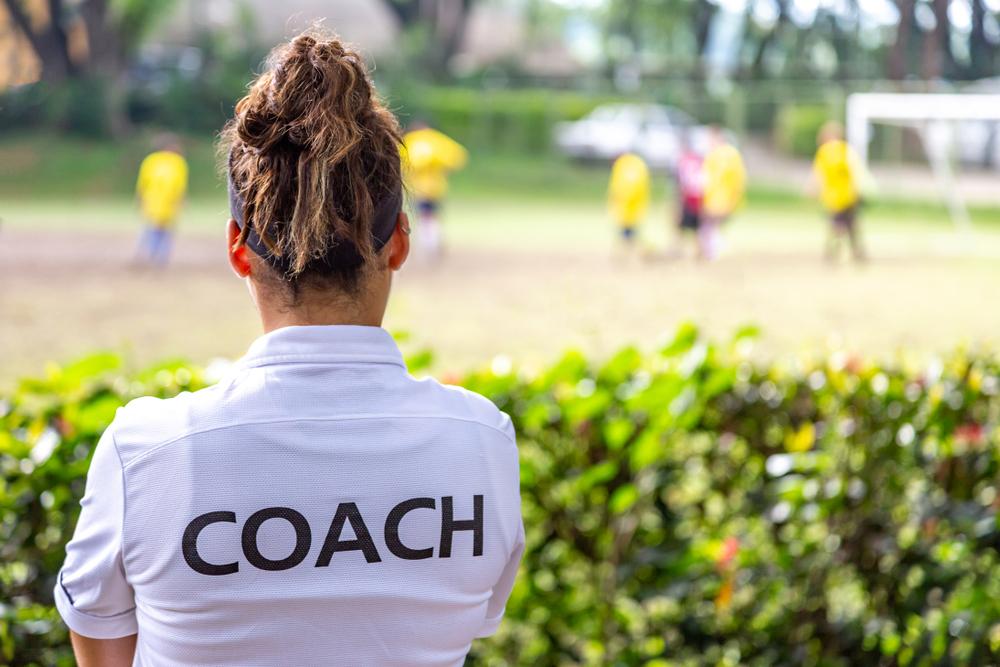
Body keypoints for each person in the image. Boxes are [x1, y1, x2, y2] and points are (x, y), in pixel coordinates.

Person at [54, 32, 524, 667]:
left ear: (237, 248)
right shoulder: (482, 443)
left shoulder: (145, 452)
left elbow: (102, 642)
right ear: (399, 243)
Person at [402, 121, 468, 258]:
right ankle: (434, 242)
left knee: (424, 216)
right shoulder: (437, 140)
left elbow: (402, 160)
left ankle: (428, 245)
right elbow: (458, 157)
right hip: (437, 187)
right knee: (433, 216)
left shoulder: (412, 140)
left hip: (419, 188)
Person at [812, 121, 866, 262]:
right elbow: (856, 171)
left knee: (837, 225)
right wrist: (858, 190)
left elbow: (819, 175)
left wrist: (815, 190)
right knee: (851, 225)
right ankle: (856, 253)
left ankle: (832, 253)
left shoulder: (824, 152)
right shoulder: (846, 150)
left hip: (835, 196)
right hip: (848, 194)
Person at [134, 134, 188, 267]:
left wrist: (139, 198)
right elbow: (143, 182)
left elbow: (179, 186)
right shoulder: (170, 162)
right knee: (156, 230)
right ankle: (154, 257)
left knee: (156, 230)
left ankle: (154, 258)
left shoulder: (160, 161)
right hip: (157, 201)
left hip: (161, 202)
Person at [700, 127, 746, 260]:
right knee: (714, 225)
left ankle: (714, 250)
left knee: (711, 225)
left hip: (719, 197)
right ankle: (714, 249)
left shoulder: (716, 155)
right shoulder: (730, 154)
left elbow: (707, 179)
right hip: (721, 197)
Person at [608, 151, 650, 256]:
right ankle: (630, 249)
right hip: (633, 204)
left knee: (627, 229)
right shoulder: (637, 164)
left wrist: (617, 197)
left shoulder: (624, 166)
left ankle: (628, 250)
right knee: (630, 229)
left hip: (627, 204)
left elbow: (620, 185)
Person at [672, 133, 704, 258]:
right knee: (696, 228)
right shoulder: (699, 160)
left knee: (681, 226)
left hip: (688, 198)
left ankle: (678, 250)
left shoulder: (683, 161)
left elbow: (681, 182)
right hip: (698, 198)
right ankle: (698, 251)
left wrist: (677, 201)